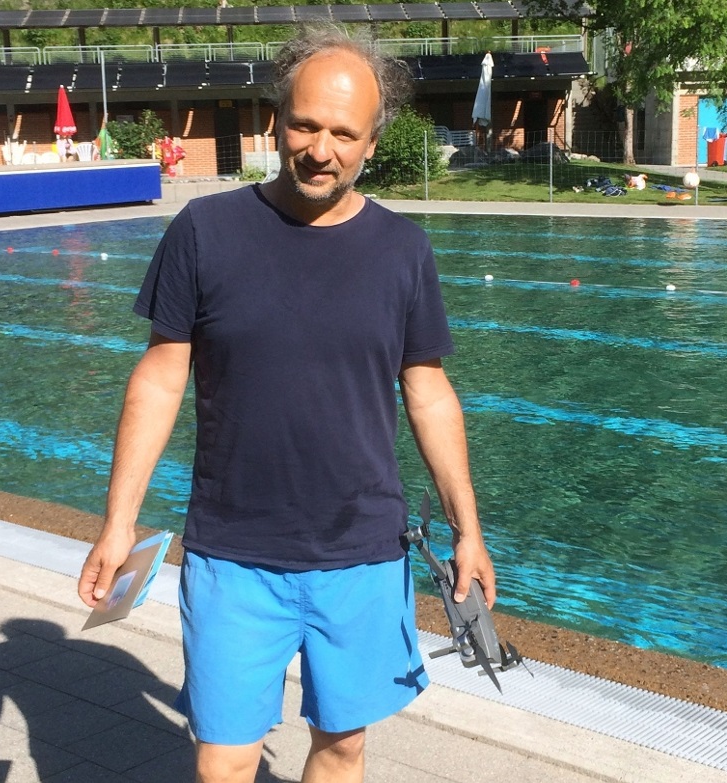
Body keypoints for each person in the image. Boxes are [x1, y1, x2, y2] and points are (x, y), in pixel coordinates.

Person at [77, 26, 496, 783]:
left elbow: (428, 391)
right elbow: (160, 378)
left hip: (362, 551)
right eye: (306, 124)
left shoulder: (403, 250)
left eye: (344, 133)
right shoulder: (205, 231)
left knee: (342, 745)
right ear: (277, 118)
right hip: (234, 553)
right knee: (224, 761)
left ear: (371, 141)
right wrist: (118, 522)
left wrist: (469, 529)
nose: (321, 149)